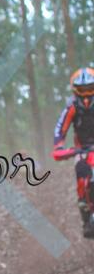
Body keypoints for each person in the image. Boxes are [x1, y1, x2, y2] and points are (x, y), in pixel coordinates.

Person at [53, 67, 94, 236]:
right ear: (75, 89)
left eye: (89, 87)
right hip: (82, 149)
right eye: (82, 89)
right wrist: (59, 146)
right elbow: (60, 128)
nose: (86, 93)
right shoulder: (72, 106)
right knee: (81, 179)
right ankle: (86, 220)